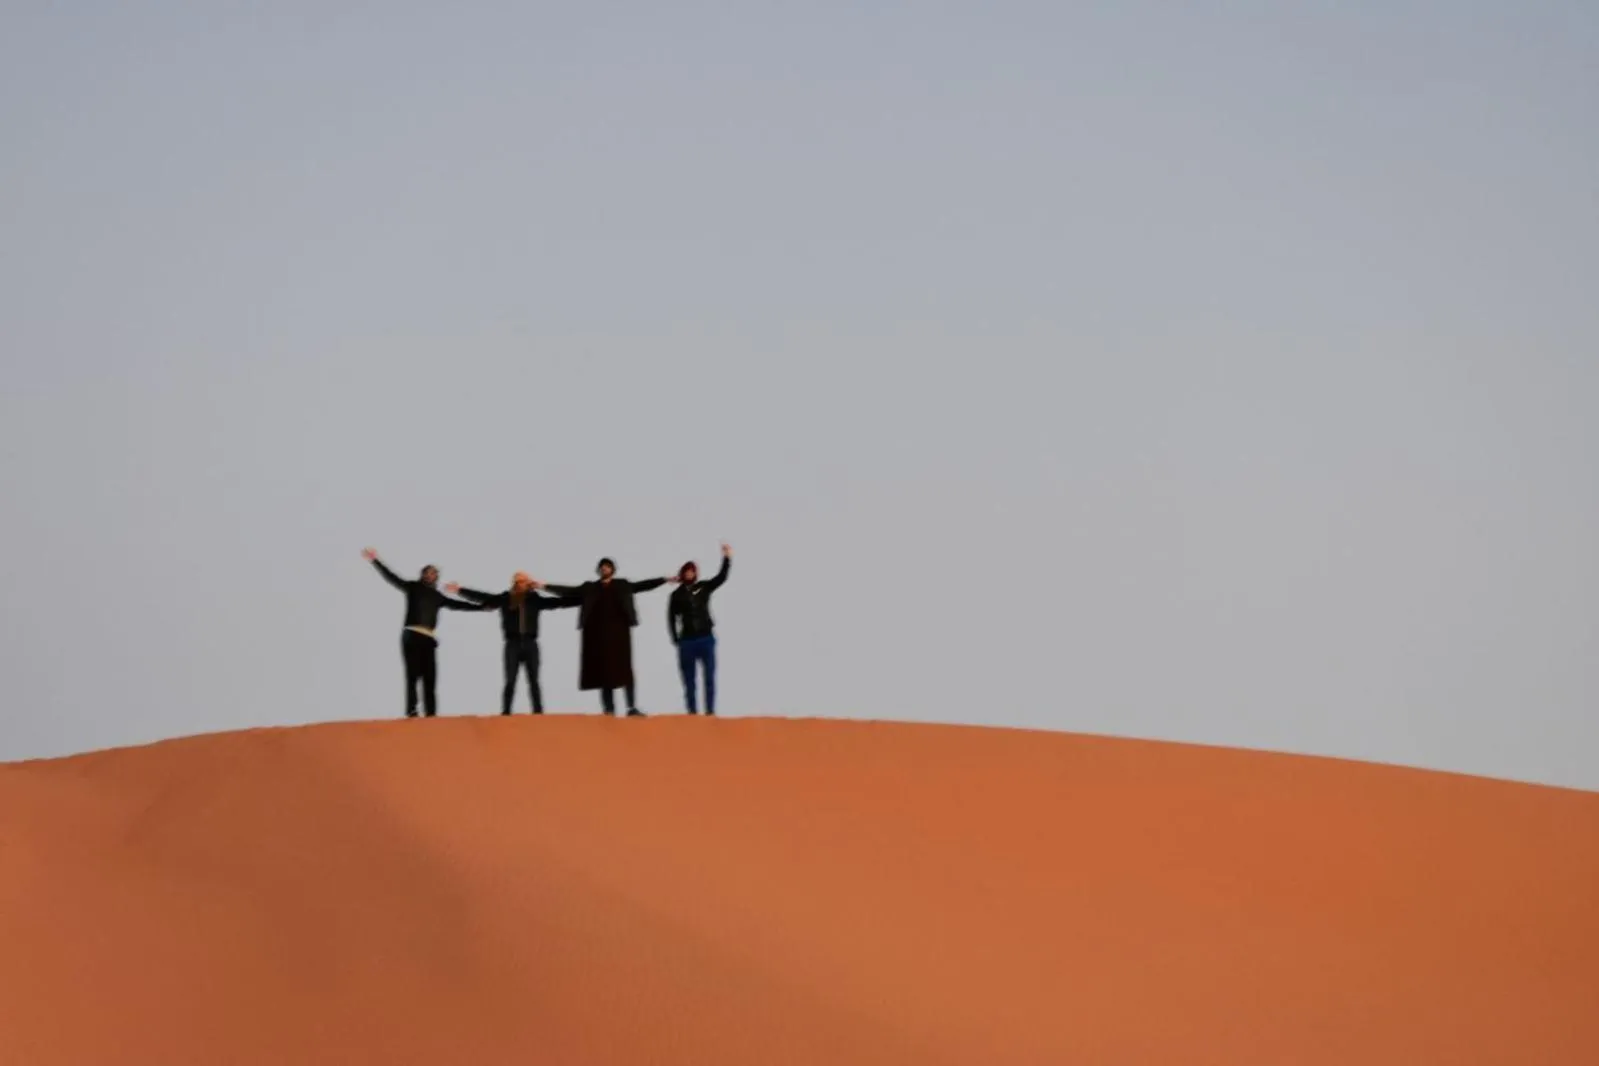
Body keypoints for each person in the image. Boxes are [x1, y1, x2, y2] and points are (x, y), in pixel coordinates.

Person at [362, 548, 490, 718]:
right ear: (422, 575)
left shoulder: (438, 597)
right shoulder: (413, 587)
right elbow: (391, 577)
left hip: (428, 638)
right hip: (412, 634)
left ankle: (431, 715)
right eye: (428, 573)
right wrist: (375, 560)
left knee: (430, 677)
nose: (431, 575)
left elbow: (458, 605)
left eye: (434, 573)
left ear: (436, 577)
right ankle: (412, 710)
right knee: (413, 675)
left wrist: (481, 608)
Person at [544, 559, 672, 716]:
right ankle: (609, 709)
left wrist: (664, 580)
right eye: (602, 567)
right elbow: (568, 591)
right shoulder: (590, 587)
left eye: (607, 567)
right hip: (597, 635)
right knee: (604, 672)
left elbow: (642, 586)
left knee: (625, 670)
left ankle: (631, 707)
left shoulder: (622, 585)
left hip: (620, 633)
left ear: (612, 569)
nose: (604, 569)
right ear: (598, 570)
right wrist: (544, 586)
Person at [449, 572, 581, 715]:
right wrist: (460, 590)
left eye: (524, 582)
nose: (521, 584)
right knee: (510, 680)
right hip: (512, 644)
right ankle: (506, 712)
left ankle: (538, 712)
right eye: (519, 582)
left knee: (534, 681)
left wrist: (581, 600)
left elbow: (559, 603)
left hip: (531, 644)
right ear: (514, 583)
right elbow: (483, 598)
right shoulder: (505, 598)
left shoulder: (534, 600)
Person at [668, 543, 733, 715]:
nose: (689, 573)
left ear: (696, 573)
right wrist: (676, 639)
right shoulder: (676, 595)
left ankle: (710, 712)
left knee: (709, 677)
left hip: (706, 638)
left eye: (692, 571)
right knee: (689, 681)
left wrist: (727, 558)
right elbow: (671, 618)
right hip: (687, 641)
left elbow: (721, 578)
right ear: (682, 574)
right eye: (686, 571)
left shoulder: (704, 587)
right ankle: (692, 713)